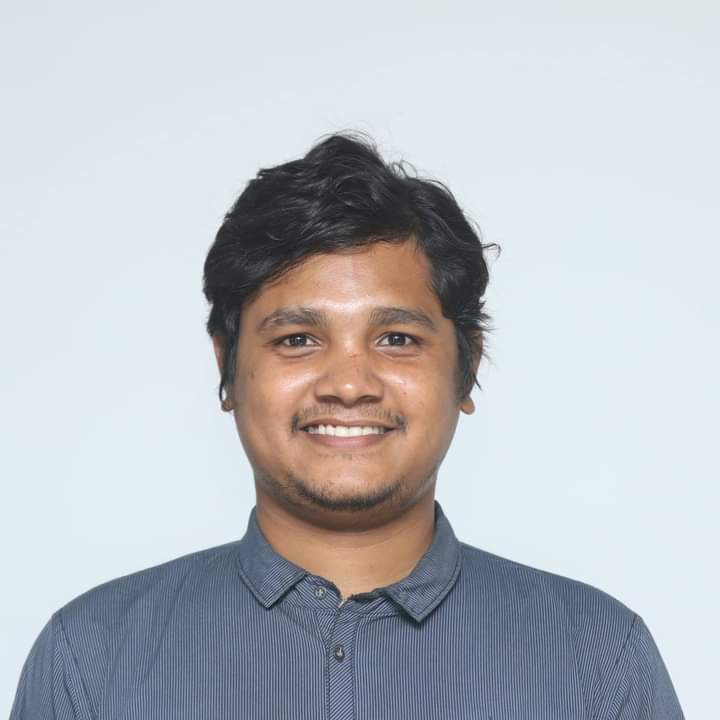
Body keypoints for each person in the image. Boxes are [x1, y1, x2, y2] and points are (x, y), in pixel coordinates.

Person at [10, 133, 684, 719]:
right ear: (228, 366)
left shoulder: (600, 660)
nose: (350, 384)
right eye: (298, 339)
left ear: (467, 366)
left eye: (396, 339)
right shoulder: (91, 660)